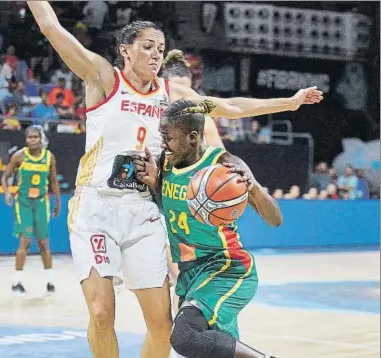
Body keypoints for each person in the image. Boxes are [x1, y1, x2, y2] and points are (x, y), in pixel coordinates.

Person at [27, 2, 322, 357]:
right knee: (102, 313)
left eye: (160, 49)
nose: (155, 54)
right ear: (125, 49)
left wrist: (288, 103)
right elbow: (49, 25)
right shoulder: (103, 77)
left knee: (163, 326)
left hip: (143, 211)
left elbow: (231, 106)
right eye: (147, 46)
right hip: (95, 209)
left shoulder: (173, 95)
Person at [134, 99, 283, 358]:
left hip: (225, 267)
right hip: (190, 274)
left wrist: (253, 188)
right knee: (209, 349)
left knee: (184, 335)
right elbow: (172, 211)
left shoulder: (224, 164)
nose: (163, 143)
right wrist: (154, 186)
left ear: (192, 137)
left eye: (168, 137)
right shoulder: (166, 163)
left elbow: (275, 219)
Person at [161, 49, 225, 313]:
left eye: (189, 92)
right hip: (155, 197)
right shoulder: (150, 112)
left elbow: (222, 159)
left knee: (184, 277)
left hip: (188, 202)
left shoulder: (202, 120)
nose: (184, 99)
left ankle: (190, 332)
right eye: (179, 91)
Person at [1, 125, 61, 294]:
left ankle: (50, 282)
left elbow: (54, 180)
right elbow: (5, 177)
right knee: (26, 241)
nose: (32, 140)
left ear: (41, 139)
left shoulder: (49, 157)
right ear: (26, 140)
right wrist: (6, 193)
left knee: (43, 242)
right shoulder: (19, 156)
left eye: (35, 137)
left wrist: (58, 201)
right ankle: (16, 282)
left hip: (42, 202)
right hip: (24, 202)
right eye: (30, 137)